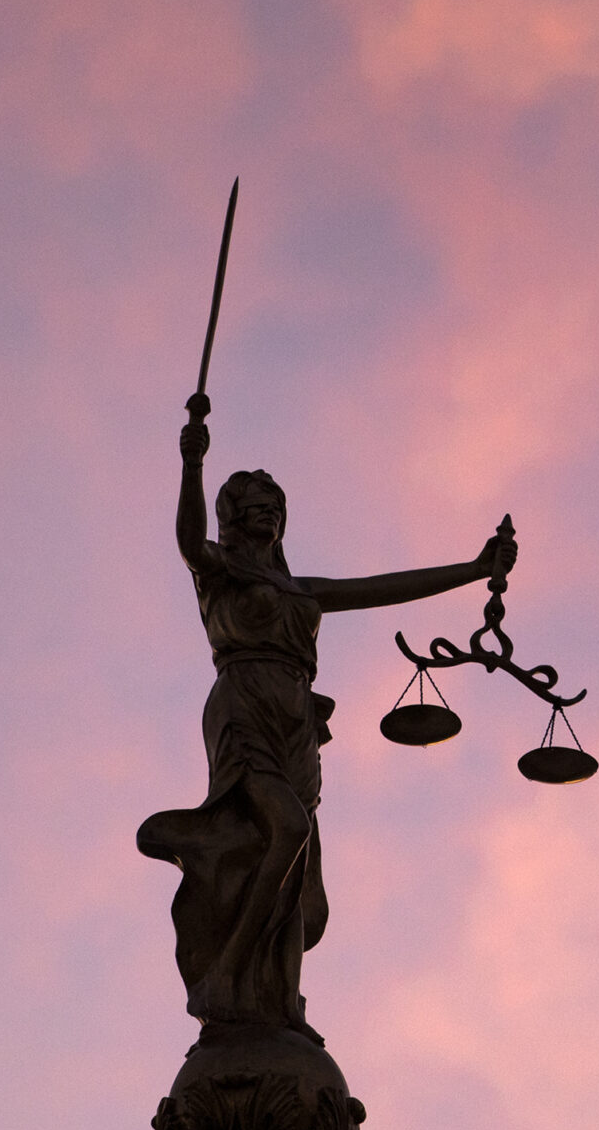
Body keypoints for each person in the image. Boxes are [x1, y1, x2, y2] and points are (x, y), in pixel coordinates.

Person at [137, 409, 515, 1038]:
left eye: (275, 505)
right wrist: (193, 463)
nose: (269, 512)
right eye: (256, 503)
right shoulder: (217, 573)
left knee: (293, 868)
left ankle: (281, 1002)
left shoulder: (302, 590)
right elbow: (185, 540)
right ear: (232, 517)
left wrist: (474, 570)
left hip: (297, 721)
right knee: (282, 828)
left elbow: (383, 588)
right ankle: (225, 974)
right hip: (243, 705)